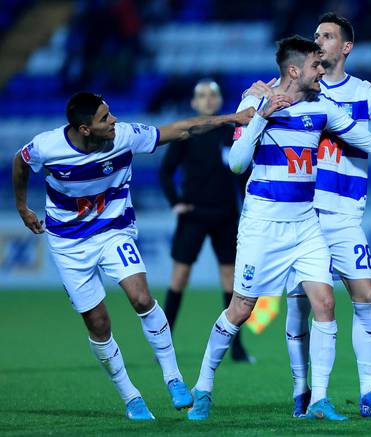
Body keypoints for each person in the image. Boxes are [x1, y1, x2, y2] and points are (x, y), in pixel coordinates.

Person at [187, 35, 371, 422]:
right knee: (241, 308)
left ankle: (319, 400)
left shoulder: (323, 108)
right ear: (294, 69)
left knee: (325, 304)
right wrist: (261, 116)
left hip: (305, 224)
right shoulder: (255, 102)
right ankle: (204, 384)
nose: (321, 70)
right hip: (263, 224)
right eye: (315, 65)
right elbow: (236, 163)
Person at [244, 13, 371, 419]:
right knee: (301, 304)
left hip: (345, 213)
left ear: (346, 47)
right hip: (302, 213)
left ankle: (369, 392)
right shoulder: (301, 91)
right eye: (317, 36)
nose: (319, 41)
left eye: (328, 36)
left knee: (367, 297)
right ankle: (303, 390)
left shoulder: (364, 94)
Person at [12, 91, 253, 420]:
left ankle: (173, 378)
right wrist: (23, 207)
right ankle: (131, 397)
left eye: (110, 113)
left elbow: (183, 129)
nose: (113, 121)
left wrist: (230, 119)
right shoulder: (47, 147)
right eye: (104, 118)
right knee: (98, 324)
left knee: (141, 297)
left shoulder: (124, 136)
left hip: (114, 231)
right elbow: (21, 163)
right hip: (69, 244)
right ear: (85, 129)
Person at [159, 79, 252, 362]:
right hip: (194, 215)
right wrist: (176, 203)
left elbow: (244, 173)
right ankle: (164, 346)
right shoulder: (188, 132)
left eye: (213, 95)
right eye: (202, 95)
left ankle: (236, 347)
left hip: (226, 214)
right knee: (179, 277)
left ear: (220, 100)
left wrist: (248, 206)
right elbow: (165, 172)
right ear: (194, 103)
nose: (208, 99)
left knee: (230, 280)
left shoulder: (233, 132)